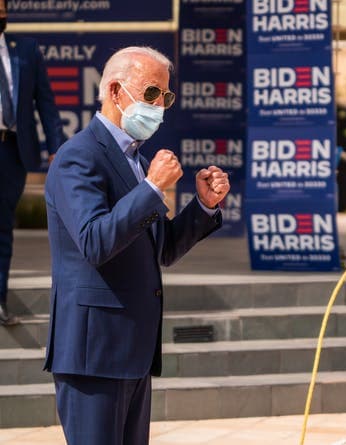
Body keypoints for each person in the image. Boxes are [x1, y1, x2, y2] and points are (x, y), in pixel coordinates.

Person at [43, 46, 229, 445]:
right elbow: (94, 241)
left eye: (166, 96)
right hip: (94, 352)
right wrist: (151, 188)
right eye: (151, 94)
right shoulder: (79, 156)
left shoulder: (136, 160)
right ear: (114, 91)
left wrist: (203, 207)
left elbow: (160, 249)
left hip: (133, 348)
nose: (160, 106)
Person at [0, 0, 65, 326]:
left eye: (3, 9)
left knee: (1, 226)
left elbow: (46, 102)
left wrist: (57, 148)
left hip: (11, 151)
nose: (1, 15)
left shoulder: (25, 49)